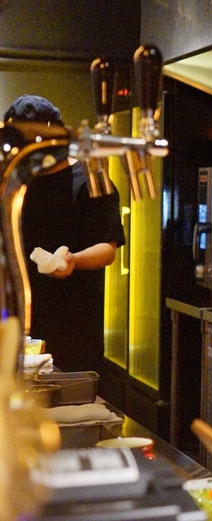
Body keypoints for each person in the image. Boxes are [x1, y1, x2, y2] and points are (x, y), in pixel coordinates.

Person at [5, 95, 126, 374]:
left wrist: (72, 259)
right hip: (16, 323)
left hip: (73, 328)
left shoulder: (90, 180)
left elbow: (107, 248)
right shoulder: (17, 181)